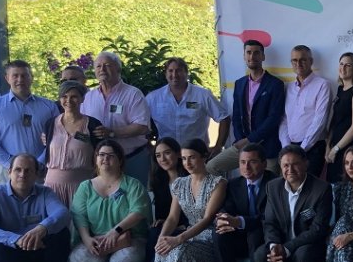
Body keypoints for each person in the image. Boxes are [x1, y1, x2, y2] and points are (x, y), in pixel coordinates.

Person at [146, 139, 226, 262]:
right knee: (162, 250)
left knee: (179, 251)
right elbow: (173, 217)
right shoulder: (179, 184)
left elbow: (207, 219)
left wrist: (178, 239)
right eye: (183, 159)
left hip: (209, 236)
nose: (187, 163)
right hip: (189, 234)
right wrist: (163, 237)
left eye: (192, 158)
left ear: (204, 157)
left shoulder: (218, 183)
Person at [69, 140, 151, 262]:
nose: (105, 159)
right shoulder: (85, 187)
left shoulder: (132, 184)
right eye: (101, 155)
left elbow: (139, 210)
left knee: (124, 258)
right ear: (96, 159)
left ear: (120, 160)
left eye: (110, 155)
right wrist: (86, 239)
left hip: (129, 239)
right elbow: (79, 216)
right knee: (79, 260)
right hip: (97, 239)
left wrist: (116, 231)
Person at [254, 144, 333, 262]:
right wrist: (275, 245)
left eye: (295, 164)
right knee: (261, 254)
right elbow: (270, 223)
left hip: (311, 245)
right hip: (283, 244)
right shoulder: (273, 187)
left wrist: (287, 248)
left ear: (306, 163)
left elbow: (317, 230)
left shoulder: (321, 189)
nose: (290, 169)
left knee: (303, 255)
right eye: (285, 165)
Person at [214, 143, 277, 262]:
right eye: (242, 162)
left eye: (252, 162)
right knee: (219, 234)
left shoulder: (274, 183)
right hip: (240, 236)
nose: (246, 167)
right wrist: (224, 220)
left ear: (264, 163)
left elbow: (268, 218)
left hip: (265, 236)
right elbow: (226, 208)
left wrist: (239, 222)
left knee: (255, 235)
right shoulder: (233, 184)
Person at [207, 40, 285, 176]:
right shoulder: (240, 84)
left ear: (263, 57)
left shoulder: (275, 84)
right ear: (244, 56)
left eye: (256, 53)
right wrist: (239, 140)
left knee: (268, 188)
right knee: (211, 167)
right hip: (243, 145)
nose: (252, 56)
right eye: (248, 53)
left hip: (267, 148)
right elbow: (236, 116)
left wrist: (250, 140)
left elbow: (273, 118)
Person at [129, 137, 188, 262]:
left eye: (167, 153)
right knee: (154, 233)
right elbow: (166, 215)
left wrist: (180, 225)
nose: (163, 159)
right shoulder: (158, 179)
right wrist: (160, 221)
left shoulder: (188, 177)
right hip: (170, 225)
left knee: (159, 237)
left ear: (178, 154)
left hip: (188, 227)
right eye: (158, 155)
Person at [0, 60, 59, 184]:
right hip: (8, 172)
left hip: (41, 172)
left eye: (24, 75)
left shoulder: (49, 107)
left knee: (39, 203)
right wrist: (10, 163)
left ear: (31, 78)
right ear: (7, 78)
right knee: (8, 203)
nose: (20, 79)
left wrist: (40, 163)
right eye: (15, 76)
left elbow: (58, 137)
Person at [80, 52, 152, 185]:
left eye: (107, 65)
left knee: (134, 201)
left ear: (118, 69)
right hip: (101, 163)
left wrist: (112, 132)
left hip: (132, 159)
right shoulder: (88, 97)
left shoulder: (133, 94)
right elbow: (81, 125)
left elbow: (142, 126)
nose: (102, 69)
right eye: (98, 66)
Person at [146, 57, 230, 157]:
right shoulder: (153, 98)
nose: (174, 75)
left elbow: (224, 118)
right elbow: (140, 122)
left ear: (186, 73)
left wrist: (219, 146)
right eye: (170, 71)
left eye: (179, 71)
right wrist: (148, 146)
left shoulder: (202, 95)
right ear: (165, 74)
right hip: (166, 157)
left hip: (197, 155)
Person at [43, 80, 102, 207]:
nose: (68, 100)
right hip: (52, 187)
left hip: (82, 187)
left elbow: (100, 154)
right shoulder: (50, 124)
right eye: (64, 96)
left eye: (74, 96)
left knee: (80, 225)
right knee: (55, 224)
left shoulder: (93, 125)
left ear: (82, 99)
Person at [278, 45, 330, 178]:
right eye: (294, 60)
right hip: (290, 149)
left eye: (303, 60)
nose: (298, 63)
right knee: (291, 188)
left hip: (312, 149)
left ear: (311, 61)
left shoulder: (322, 85)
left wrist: (302, 149)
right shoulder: (288, 87)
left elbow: (320, 120)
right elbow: (284, 119)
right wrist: (286, 147)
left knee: (310, 190)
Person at [325, 52, 353, 183]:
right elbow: (335, 122)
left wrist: (336, 149)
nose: (343, 68)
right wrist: (328, 146)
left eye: (348, 65)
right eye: (341, 64)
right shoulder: (340, 89)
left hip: (350, 149)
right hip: (335, 148)